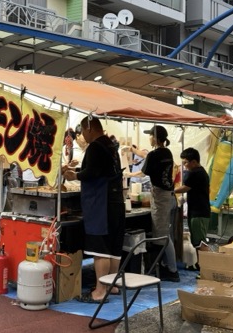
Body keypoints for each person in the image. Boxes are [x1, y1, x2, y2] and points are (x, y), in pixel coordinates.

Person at [62, 116, 125, 303]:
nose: (82, 135)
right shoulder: (111, 146)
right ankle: (112, 285)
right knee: (114, 248)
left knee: (101, 249)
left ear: (90, 128)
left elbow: (92, 173)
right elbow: (100, 170)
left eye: (82, 131)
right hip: (115, 202)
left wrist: (75, 175)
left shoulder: (96, 146)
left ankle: (99, 291)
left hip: (101, 203)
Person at [124, 125, 179, 282]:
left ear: (155, 138)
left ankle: (172, 270)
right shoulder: (167, 152)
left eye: (150, 135)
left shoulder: (154, 154)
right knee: (165, 234)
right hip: (169, 194)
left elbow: (143, 173)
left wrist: (128, 173)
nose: (149, 138)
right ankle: (167, 266)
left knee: (162, 235)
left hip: (160, 196)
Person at [174, 147, 210, 269]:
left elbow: (184, 188)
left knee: (200, 242)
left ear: (193, 162)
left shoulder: (195, 173)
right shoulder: (201, 172)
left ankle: (208, 267)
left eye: (185, 163)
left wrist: (170, 190)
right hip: (199, 211)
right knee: (197, 240)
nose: (184, 166)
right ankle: (201, 265)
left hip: (199, 212)